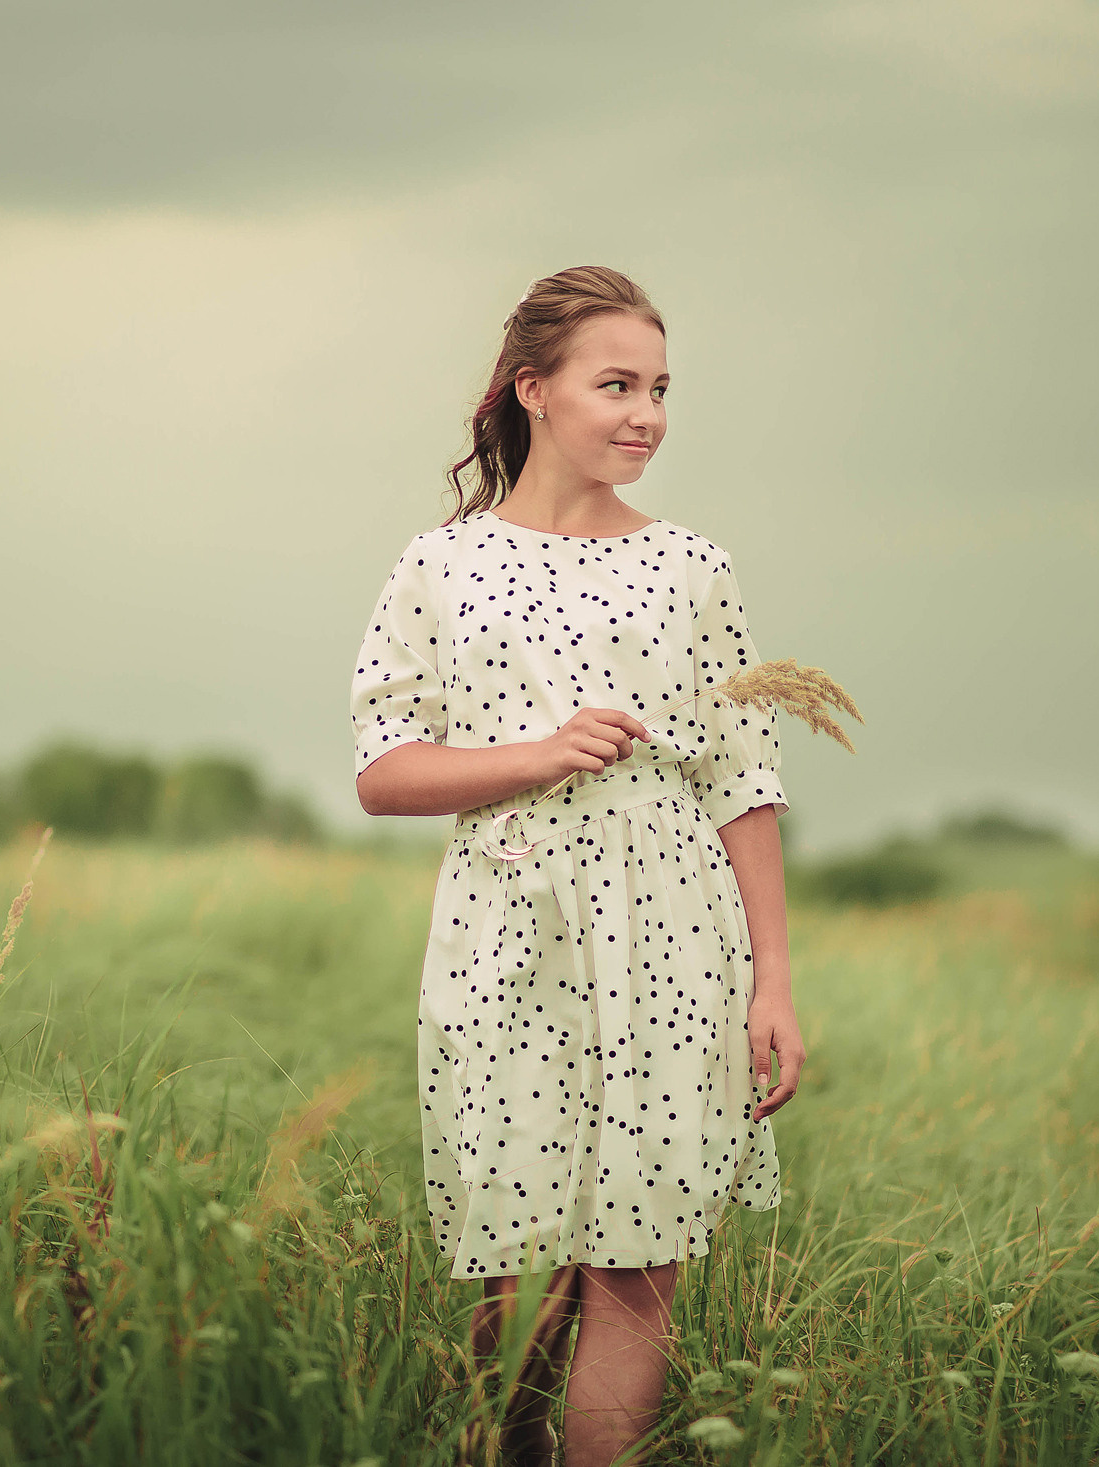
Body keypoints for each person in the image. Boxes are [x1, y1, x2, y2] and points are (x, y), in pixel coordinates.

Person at [348, 265, 806, 1467]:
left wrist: (771, 986)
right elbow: (382, 773)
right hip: (508, 932)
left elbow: (745, 785)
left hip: (670, 935)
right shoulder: (438, 566)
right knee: (516, 1255)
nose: (646, 413)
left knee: (640, 1257)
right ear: (532, 389)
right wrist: (537, 755)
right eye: (617, 384)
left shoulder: (694, 567)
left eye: (659, 388)